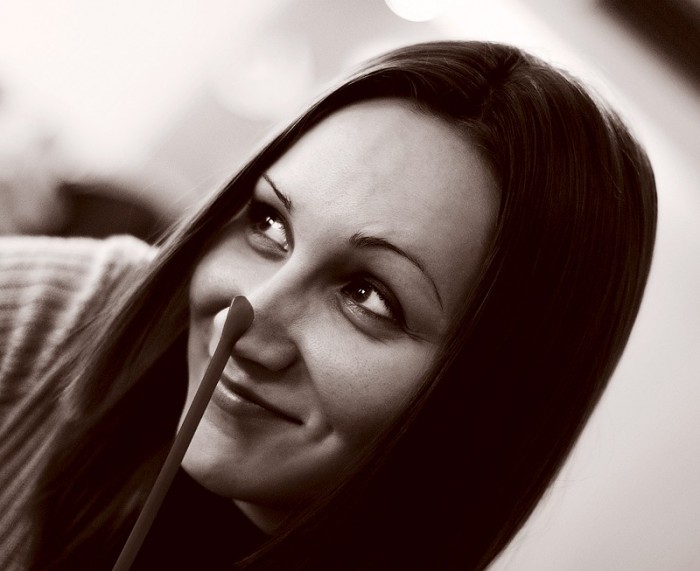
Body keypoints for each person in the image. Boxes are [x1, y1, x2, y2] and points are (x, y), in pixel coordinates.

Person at [0, 40, 657, 570]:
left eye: (369, 295)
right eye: (269, 223)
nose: (243, 319)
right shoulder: (63, 316)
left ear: (491, 402)